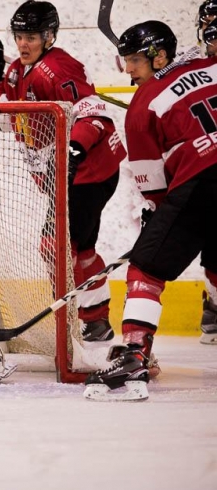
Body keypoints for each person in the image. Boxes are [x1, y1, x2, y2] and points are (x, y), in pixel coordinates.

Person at [0, 0, 127, 344]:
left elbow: (94, 114)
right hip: (62, 175)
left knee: (53, 245)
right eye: (19, 35)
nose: (23, 44)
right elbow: (7, 122)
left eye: (32, 37)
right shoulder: (16, 72)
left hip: (87, 173)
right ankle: (96, 320)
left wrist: (75, 149)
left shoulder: (58, 68)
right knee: (81, 251)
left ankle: (70, 320)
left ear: (49, 36)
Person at [84, 21, 217, 400]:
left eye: (136, 61)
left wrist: (159, 216)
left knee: (147, 267)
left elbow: (154, 185)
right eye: (125, 60)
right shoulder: (211, 67)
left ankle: (135, 355)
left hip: (203, 179)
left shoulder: (143, 104)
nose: (128, 70)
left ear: (160, 56)